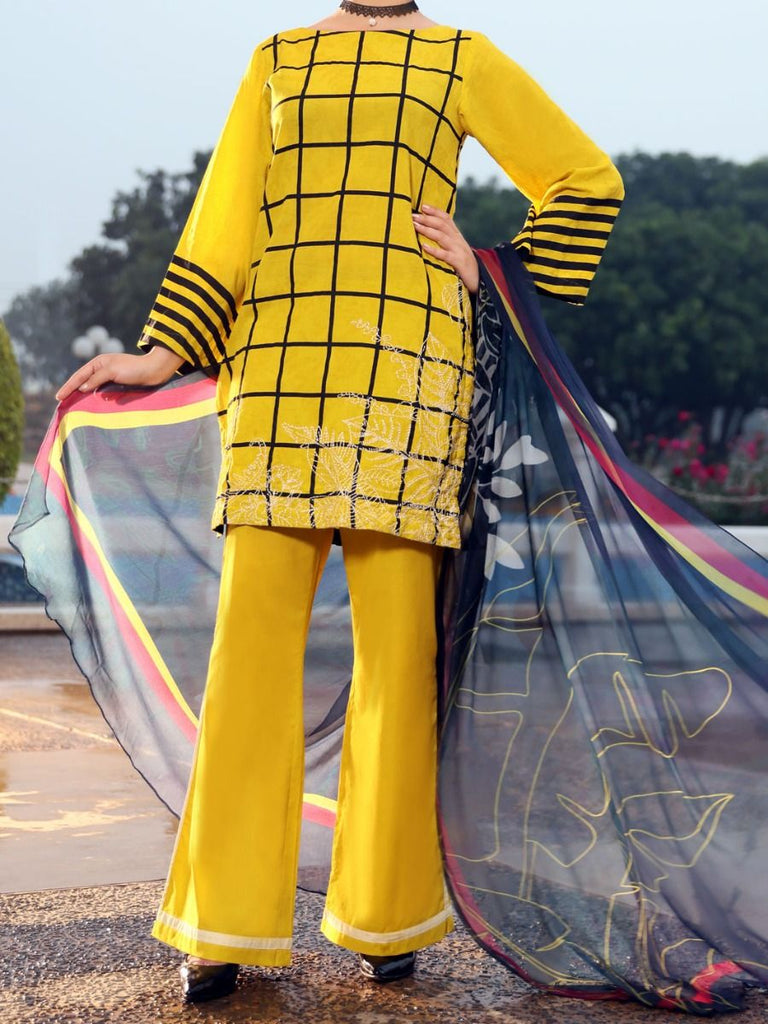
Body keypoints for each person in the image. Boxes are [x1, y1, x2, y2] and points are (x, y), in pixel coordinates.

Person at [53, 0, 623, 1006]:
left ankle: (385, 915)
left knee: (396, 664)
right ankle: (222, 924)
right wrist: (162, 353)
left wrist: (493, 266)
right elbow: (227, 219)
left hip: (409, 381)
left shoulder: (461, 57)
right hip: (278, 377)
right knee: (247, 661)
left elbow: (586, 178)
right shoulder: (277, 58)